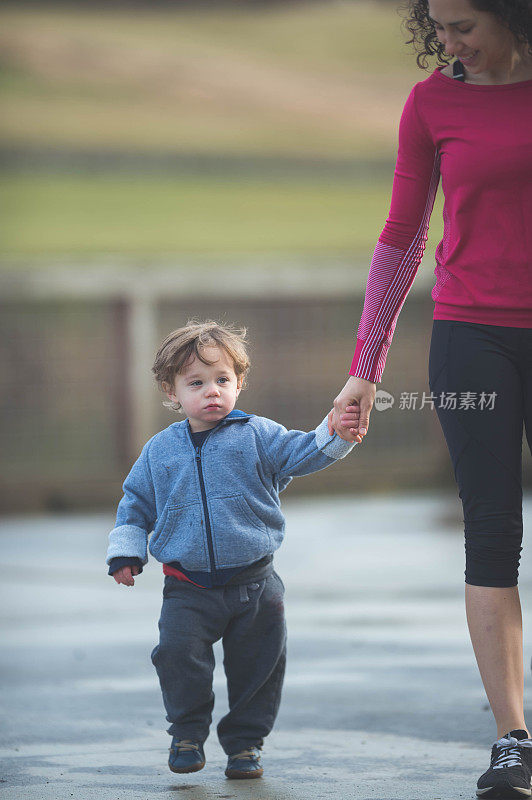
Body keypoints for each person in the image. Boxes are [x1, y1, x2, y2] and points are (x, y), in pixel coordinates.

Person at [328, 0, 532, 797]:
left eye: (464, 26)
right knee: (490, 526)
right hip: (471, 337)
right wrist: (364, 366)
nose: (448, 43)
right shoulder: (432, 102)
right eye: (438, 26)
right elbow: (403, 234)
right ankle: (512, 739)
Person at [106, 320, 358, 780]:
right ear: (172, 391)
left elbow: (304, 452)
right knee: (177, 656)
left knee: (259, 668)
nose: (212, 392)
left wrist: (337, 431)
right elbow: (134, 506)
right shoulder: (159, 451)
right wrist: (126, 553)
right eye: (196, 383)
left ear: (239, 382)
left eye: (223, 380)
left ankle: (245, 747)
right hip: (187, 587)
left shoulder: (258, 435)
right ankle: (186, 733)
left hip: (256, 585)